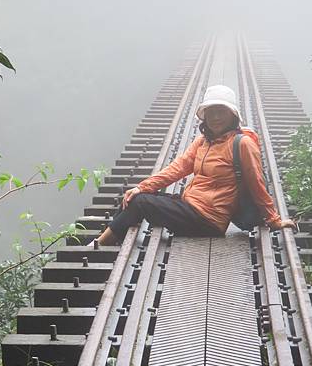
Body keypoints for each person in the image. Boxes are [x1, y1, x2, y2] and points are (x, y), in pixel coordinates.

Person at [91, 84, 296, 246]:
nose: (215, 117)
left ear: (232, 115)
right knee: (135, 196)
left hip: (208, 220)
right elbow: (178, 168)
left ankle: (101, 243)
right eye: (211, 111)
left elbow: (256, 183)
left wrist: (274, 220)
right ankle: (109, 238)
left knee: (140, 203)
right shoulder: (203, 142)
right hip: (191, 206)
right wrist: (141, 186)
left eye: (221, 111)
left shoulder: (243, 144)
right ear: (204, 116)